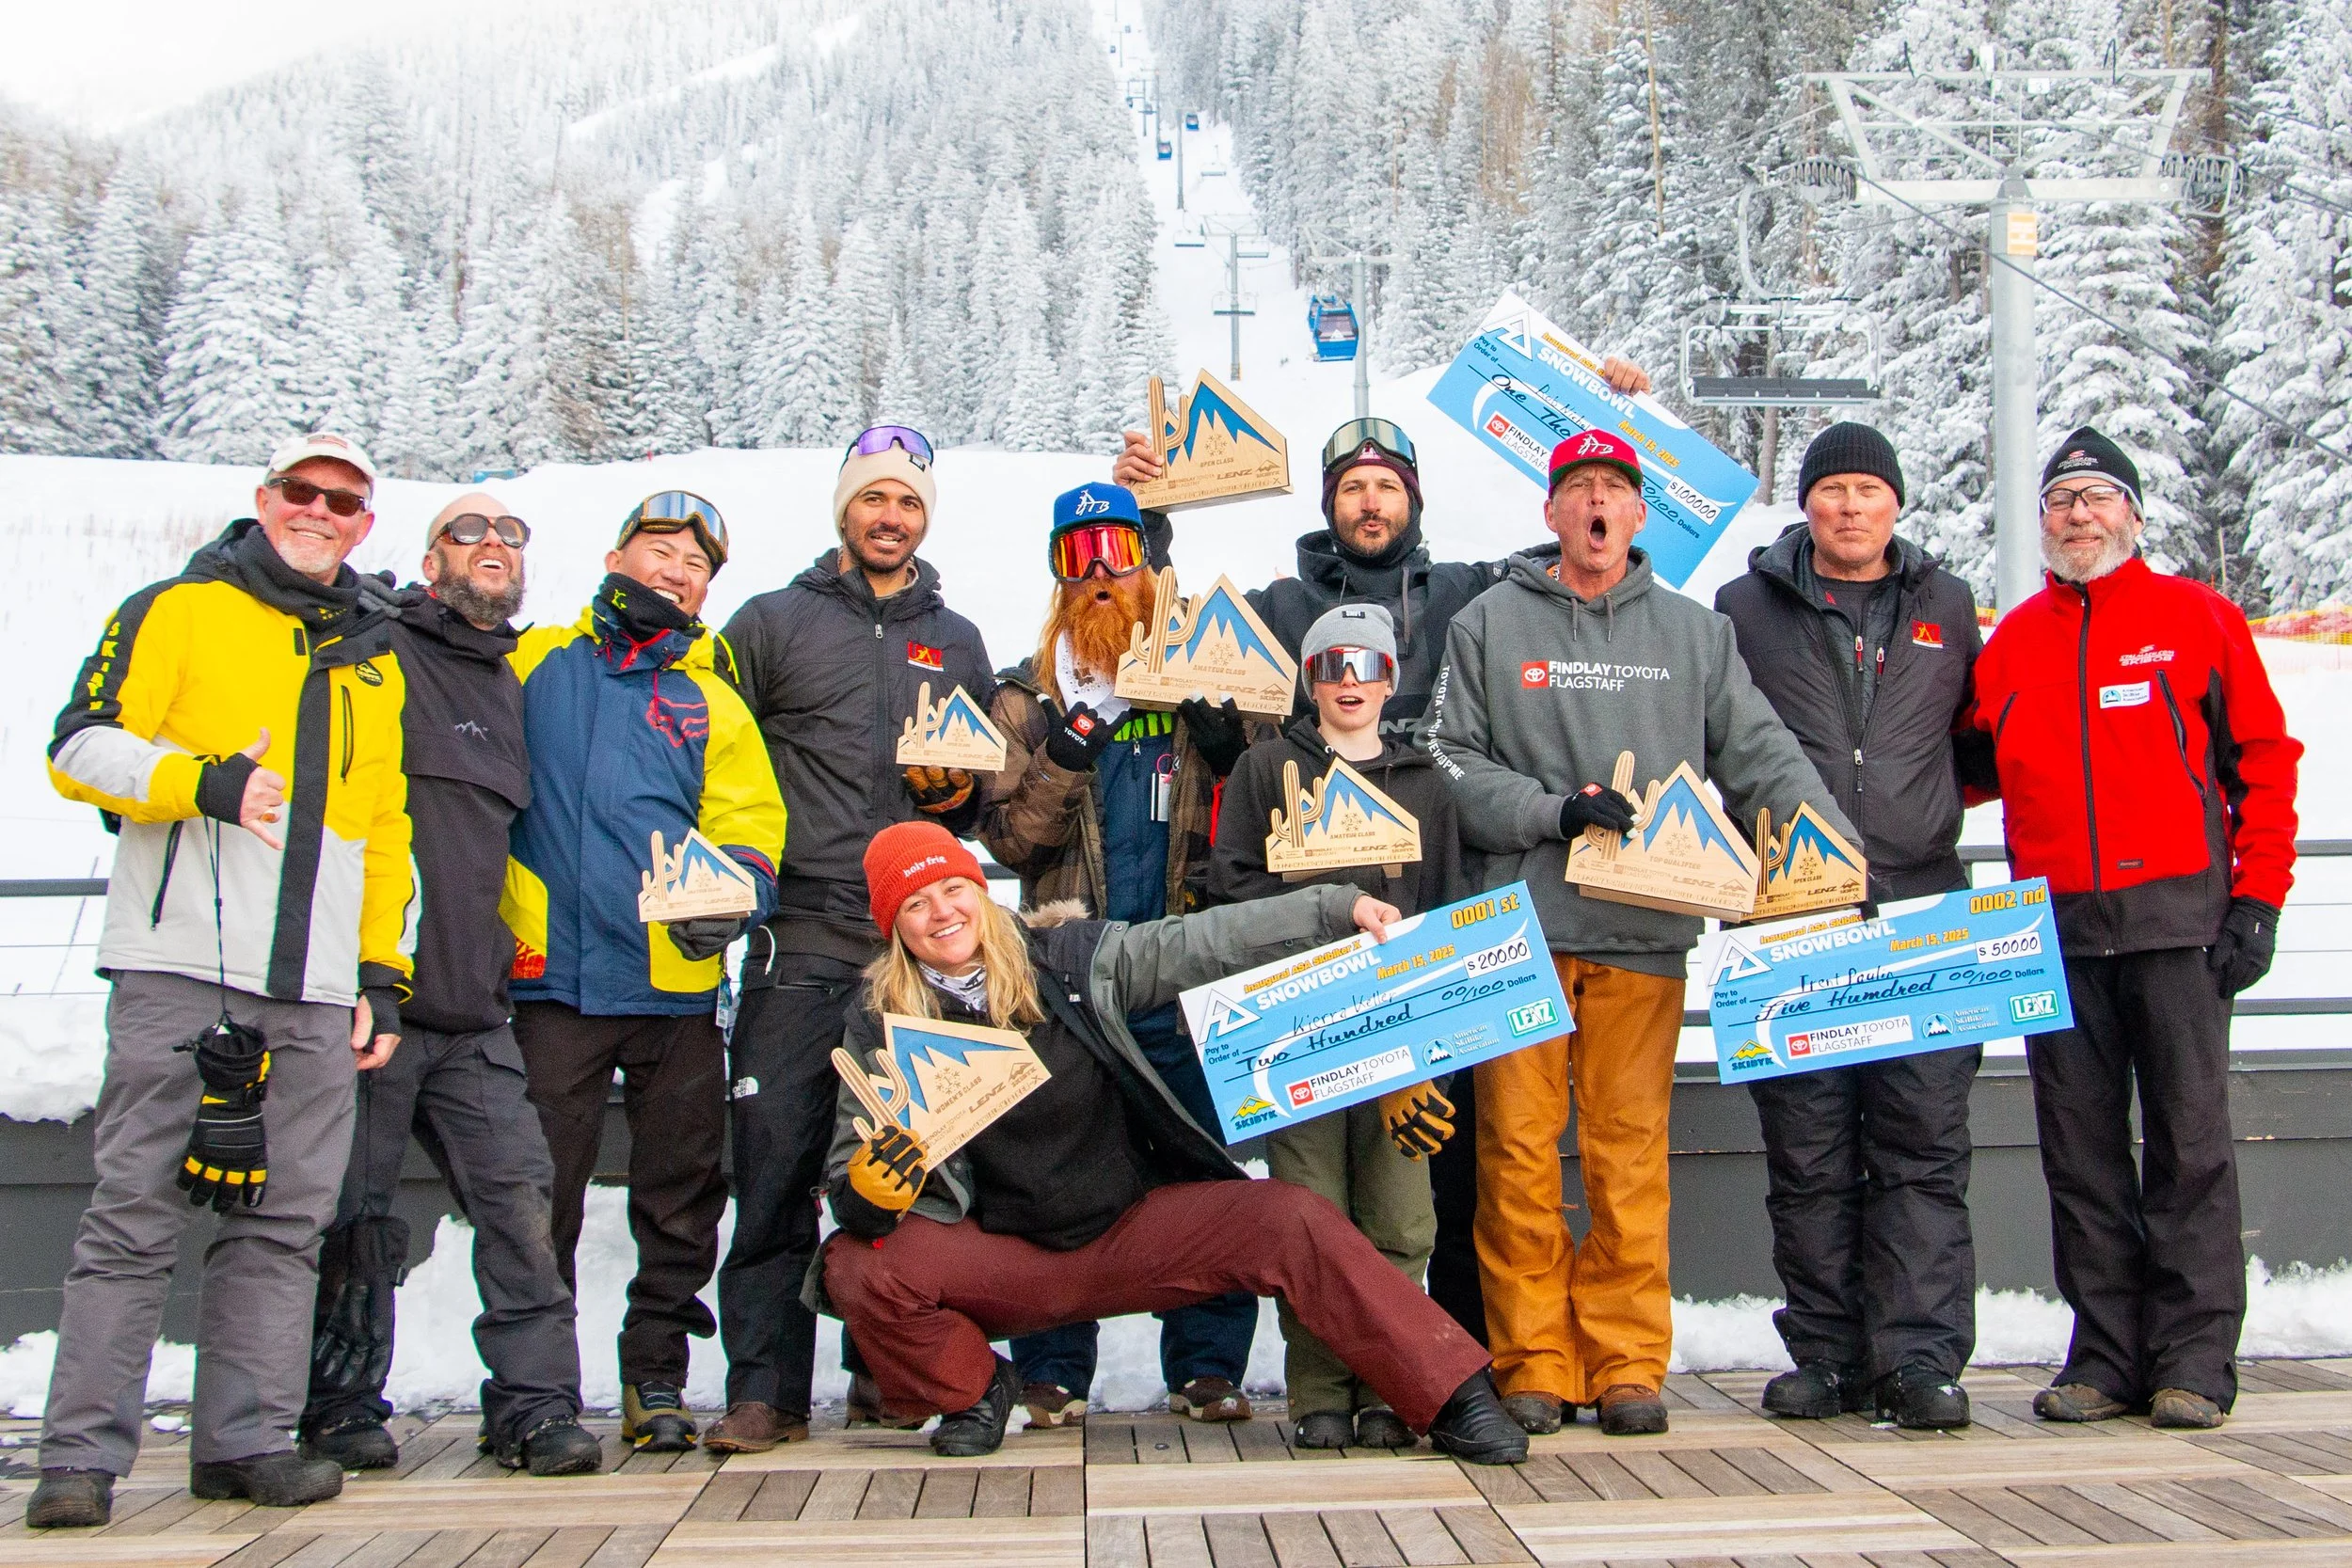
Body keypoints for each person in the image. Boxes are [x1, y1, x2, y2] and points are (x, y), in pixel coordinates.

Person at [1114, 360, 1653, 1348]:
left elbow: (1598, 533)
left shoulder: (1469, 591)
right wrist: (1145, 514)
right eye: (1353, 487)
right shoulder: (1278, 602)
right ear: (1331, 504)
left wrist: (1612, 409)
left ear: (1411, 499)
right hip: (1309, 916)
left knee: (1441, 1152)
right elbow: (1159, 633)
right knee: (1314, 1159)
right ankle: (1333, 1372)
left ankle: (1454, 1353)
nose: (1371, 502)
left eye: (1387, 485)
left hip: (1432, 900)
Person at [814, 821, 1530, 1465]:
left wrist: (1331, 908)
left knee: (1291, 1217)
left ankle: (1451, 1394)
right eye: (916, 903)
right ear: (893, 926)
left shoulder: (1067, 960)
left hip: (1132, 1231)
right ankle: (973, 1390)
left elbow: (1200, 943)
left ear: (977, 890)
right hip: (1006, 1258)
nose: (942, 913)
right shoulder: (881, 1022)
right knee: (856, 1265)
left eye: (951, 888)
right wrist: (868, 1195)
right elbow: (853, 1171)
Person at [1426, 431, 1855, 1437]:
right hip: (1517, 932)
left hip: (1642, 933)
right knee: (1517, 1156)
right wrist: (1549, 810)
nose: (1597, 507)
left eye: (1614, 490)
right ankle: (1531, 1357)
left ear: (1638, 513)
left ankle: (1625, 1361)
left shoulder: (1692, 634)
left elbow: (1758, 753)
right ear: (1551, 514)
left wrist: (1828, 848)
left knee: (1627, 1156)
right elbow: (1449, 761)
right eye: (1577, 491)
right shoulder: (1487, 623)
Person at [31, 433, 412, 1526]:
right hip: (179, 966)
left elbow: (382, 831)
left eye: (344, 501)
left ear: (362, 524)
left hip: (312, 984)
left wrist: (380, 974)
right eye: (304, 492)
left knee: (286, 1221)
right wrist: (195, 780)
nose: (322, 512)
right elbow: (78, 745)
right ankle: (79, 1458)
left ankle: (242, 1440)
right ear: (264, 500)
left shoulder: (373, 657)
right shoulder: (177, 609)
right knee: (134, 1216)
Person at [1967, 427, 2300, 1431]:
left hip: (2176, 921)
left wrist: (2259, 895)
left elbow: (2264, 759)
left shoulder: (2196, 619)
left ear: (2134, 516)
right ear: (2041, 524)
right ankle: (2105, 1354)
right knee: (2080, 1150)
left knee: (2190, 1145)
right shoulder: (2013, 641)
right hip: (2057, 929)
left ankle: (2194, 1359)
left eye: (2097, 497)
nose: (2078, 514)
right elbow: (1962, 768)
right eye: (2060, 500)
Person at [297, 496, 600, 1478]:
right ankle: (341, 1406)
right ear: (429, 560)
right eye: (470, 534)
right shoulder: (379, 648)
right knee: (358, 1214)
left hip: (477, 1010)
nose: (494, 548)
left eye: (513, 535)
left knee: (521, 1204)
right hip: (372, 1000)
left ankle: (535, 1405)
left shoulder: (513, 681)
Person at [708, 428, 993, 1449]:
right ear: (844, 510)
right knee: (778, 1157)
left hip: (912, 945)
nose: (891, 517)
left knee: (911, 1159)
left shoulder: (955, 637)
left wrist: (959, 794)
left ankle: (892, 1368)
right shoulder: (769, 622)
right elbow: (704, 747)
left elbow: (973, 802)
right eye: (875, 499)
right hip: (801, 926)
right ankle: (764, 1386)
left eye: (909, 503)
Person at [1712, 423, 1987, 1430]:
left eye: (1868, 488)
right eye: (1830, 490)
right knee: (1811, 1147)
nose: (1849, 507)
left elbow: (1982, 738)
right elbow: (1712, 747)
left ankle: (1917, 1358)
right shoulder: (1741, 607)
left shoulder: (1946, 604)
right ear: (1806, 506)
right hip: (1793, 914)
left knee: (1923, 1143)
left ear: (1896, 503)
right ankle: (1825, 1351)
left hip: (1924, 904)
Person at [505, 491, 787, 1453]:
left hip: (674, 980)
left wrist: (735, 891)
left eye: (695, 563)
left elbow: (750, 823)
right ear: (618, 552)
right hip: (551, 983)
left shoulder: (711, 695)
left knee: (681, 1192)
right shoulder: (533, 658)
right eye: (660, 550)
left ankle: (654, 1375)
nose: (675, 571)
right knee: (542, 1193)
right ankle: (535, 1388)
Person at [975, 482, 1260, 1431]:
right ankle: (1052, 1366)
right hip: (1068, 977)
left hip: (1182, 967)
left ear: (1150, 570)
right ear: (1056, 577)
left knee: (1202, 1168)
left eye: (1117, 552)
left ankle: (1209, 1363)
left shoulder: (1198, 676)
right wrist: (1074, 744)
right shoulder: (1025, 697)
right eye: (1077, 556)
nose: (1100, 574)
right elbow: (1011, 840)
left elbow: (1265, 810)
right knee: (1056, 1175)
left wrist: (1231, 748)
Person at [1208, 602, 1469, 1449]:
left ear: (1391, 677)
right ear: (1310, 678)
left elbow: (1453, 906)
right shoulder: (1264, 768)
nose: (1349, 681)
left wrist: (1442, 1044)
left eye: (1366, 665)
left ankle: (1391, 1382)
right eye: (1331, 665)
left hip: (1401, 1026)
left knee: (1399, 1218)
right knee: (1312, 1210)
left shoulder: (1426, 780)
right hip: (1299, 1022)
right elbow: (1232, 886)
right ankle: (1319, 1389)